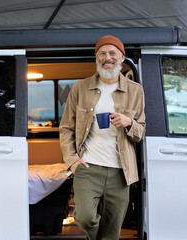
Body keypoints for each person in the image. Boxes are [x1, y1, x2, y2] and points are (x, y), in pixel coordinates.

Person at [59, 35, 146, 240]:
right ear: (96, 58)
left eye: (113, 53)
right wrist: (72, 161)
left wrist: (129, 123)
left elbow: (140, 131)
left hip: (121, 170)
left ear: (122, 57)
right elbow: (65, 128)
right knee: (84, 217)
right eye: (102, 53)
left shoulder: (135, 91)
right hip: (87, 166)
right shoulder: (80, 88)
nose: (108, 58)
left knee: (113, 229)